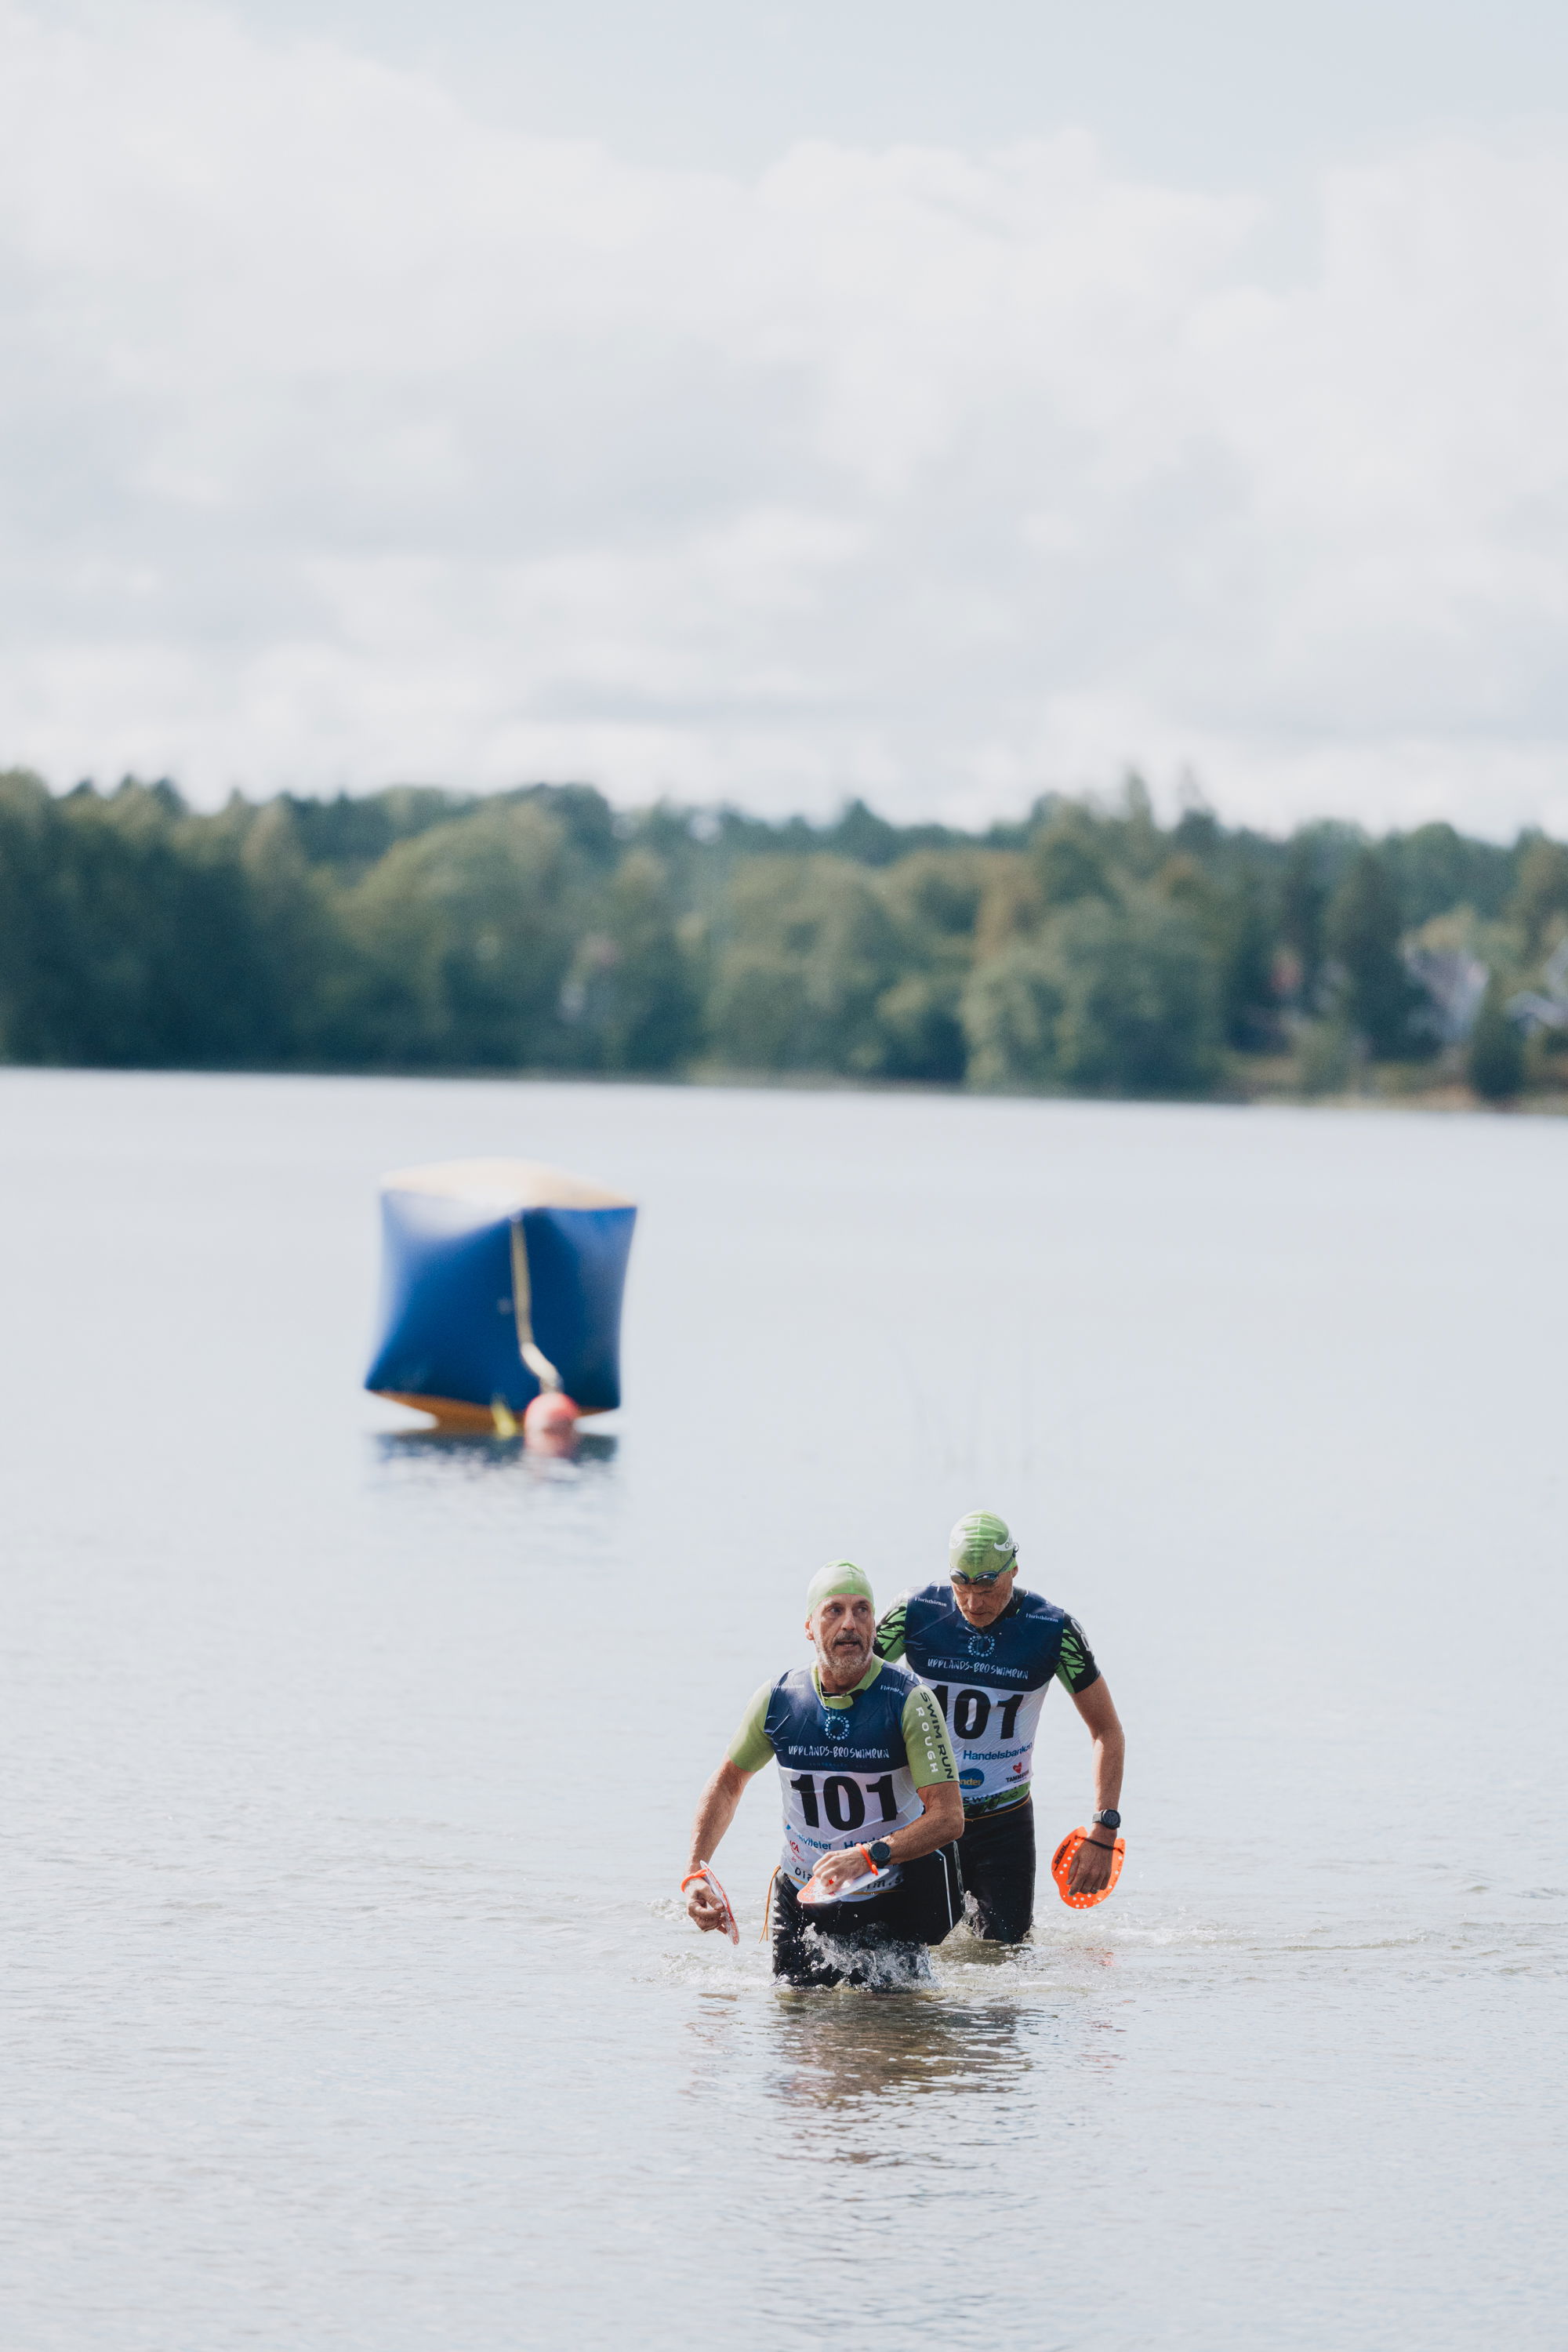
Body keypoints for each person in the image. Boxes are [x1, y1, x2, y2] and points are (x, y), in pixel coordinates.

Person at [684, 1560, 966, 1987]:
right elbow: (727, 1784)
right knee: (795, 2035)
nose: (850, 1624)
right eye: (834, 1610)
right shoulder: (779, 1699)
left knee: (894, 2044)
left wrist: (869, 1856)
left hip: (887, 1898)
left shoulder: (910, 1700)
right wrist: (696, 1871)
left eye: (862, 1610)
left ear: (875, 1625)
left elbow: (948, 1817)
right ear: (810, 1627)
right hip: (802, 1900)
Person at [874, 1510, 1124, 1943]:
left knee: (1005, 1961)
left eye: (988, 1589)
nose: (974, 1604)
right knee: (907, 1959)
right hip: (923, 1817)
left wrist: (1104, 1830)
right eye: (962, 1589)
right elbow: (851, 1688)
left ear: (1013, 1571)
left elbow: (1106, 1730)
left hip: (1004, 1823)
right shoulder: (914, 1613)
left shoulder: (1053, 1629)